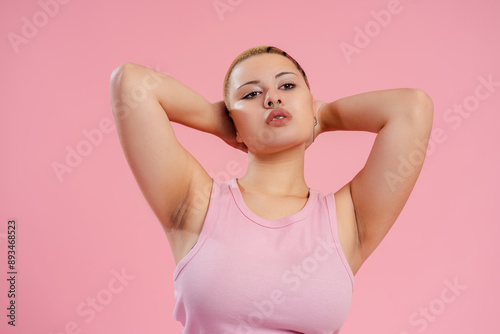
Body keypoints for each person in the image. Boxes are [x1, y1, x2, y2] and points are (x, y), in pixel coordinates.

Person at [110, 45, 434, 333]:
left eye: (288, 86)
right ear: (230, 118)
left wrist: (324, 116)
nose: (272, 98)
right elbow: (131, 83)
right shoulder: (196, 203)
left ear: (310, 101)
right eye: (250, 94)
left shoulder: (348, 219)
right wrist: (217, 120)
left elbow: (411, 108)